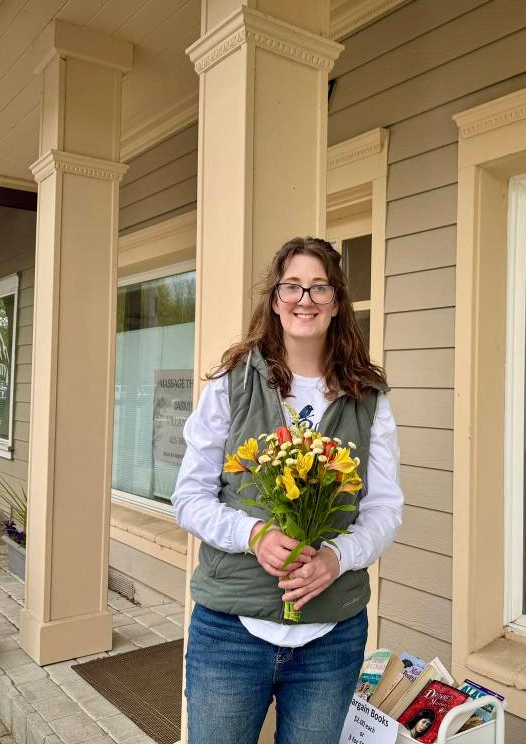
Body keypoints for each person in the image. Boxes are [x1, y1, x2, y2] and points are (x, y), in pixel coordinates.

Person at [172, 237, 403, 744]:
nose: (306, 299)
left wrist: (336, 559)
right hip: (231, 629)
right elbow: (188, 497)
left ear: (337, 301)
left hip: (331, 637)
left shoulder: (368, 398)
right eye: (293, 287)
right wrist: (252, 533)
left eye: (319, 287)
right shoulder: (233, 384)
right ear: (274, 299)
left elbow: (385, 508)